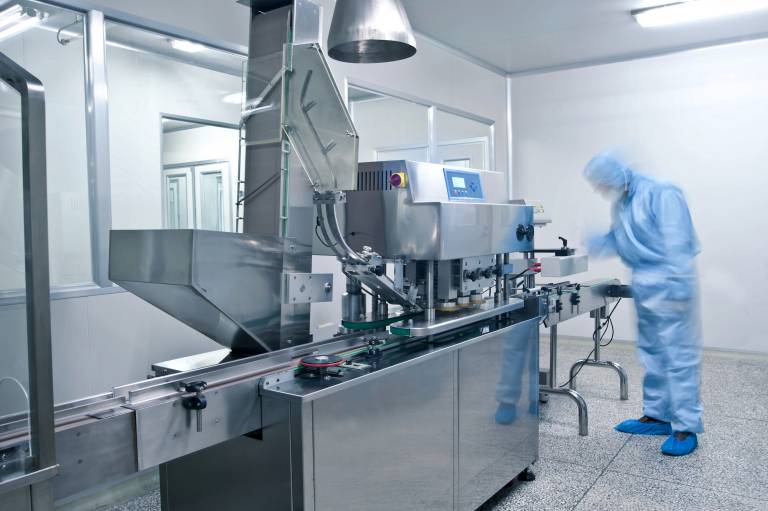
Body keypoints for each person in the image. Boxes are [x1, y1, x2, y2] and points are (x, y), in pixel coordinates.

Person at [583, 150, 703, 457]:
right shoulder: (622, 203)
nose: (600, 189)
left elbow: (677, 241)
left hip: (671, 285)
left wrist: (676, 285)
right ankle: (658, 416)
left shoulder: (662, 193)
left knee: (678, 356)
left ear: (616, 173)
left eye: (600, 182)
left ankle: (685, 426)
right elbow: (620, 239)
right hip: (645, 286)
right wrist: (598, 242)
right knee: (652, 353)